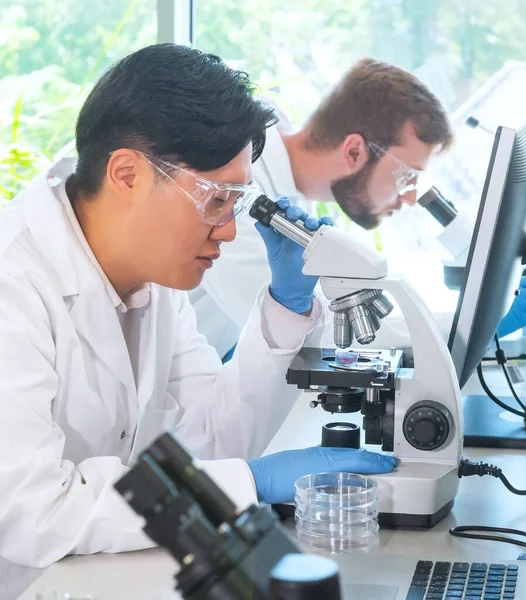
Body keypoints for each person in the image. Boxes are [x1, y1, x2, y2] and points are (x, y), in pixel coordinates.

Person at [0, 44, 397, 569]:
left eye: (235, 203)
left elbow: (214, 441)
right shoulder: (15, 282)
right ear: (127, 175)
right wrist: (250, 481)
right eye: (215, 200)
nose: (230, 230)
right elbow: (31, 511)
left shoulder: (154, 280)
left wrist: (285, 304)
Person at [189, 59, 526, 360]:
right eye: (406, 176)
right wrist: (471, 322)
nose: (408, 198)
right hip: (171, 418)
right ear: (354, 151)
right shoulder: (243, 194)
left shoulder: (291, 187)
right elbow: (314, 331)